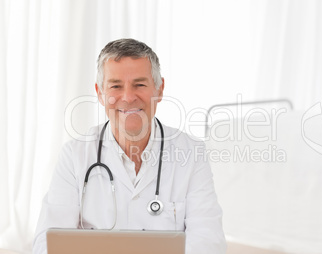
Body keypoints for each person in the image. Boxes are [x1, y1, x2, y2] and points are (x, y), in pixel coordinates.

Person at [33, 38, 226, 254]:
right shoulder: (74, 155)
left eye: (140, 85)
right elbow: (46, 244)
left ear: (159, 89)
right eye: (116, 86)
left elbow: (209, 242)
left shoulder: (191, 153)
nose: (128, 97)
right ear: (100, 93)